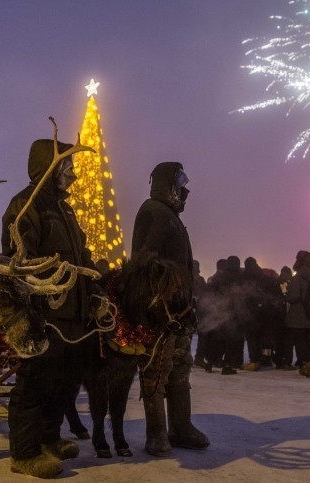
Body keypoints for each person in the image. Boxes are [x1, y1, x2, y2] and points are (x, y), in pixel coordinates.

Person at [0, 138, 101, 478]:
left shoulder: (64, 208)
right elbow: (19, 260)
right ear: (51, 166)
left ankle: (49, 438)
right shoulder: (27, 204)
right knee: (36, 383)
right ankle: (25, 454)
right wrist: (40, 296)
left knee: (67, 381)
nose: (73, 173)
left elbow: (81, 255)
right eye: (68, 166)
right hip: (45, 312)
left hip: (74, 315)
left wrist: (95, 289)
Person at [132, 161, 209, 457]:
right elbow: (144, 259)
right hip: (161, 312)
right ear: (168, 184)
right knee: (156, 371)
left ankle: (181, 427)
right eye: (179, 183)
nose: (184, 190)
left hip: (181, 310)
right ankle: (157, 434)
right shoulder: (153, 211)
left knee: (179, 369)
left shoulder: (171, 216)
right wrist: (165, 291)